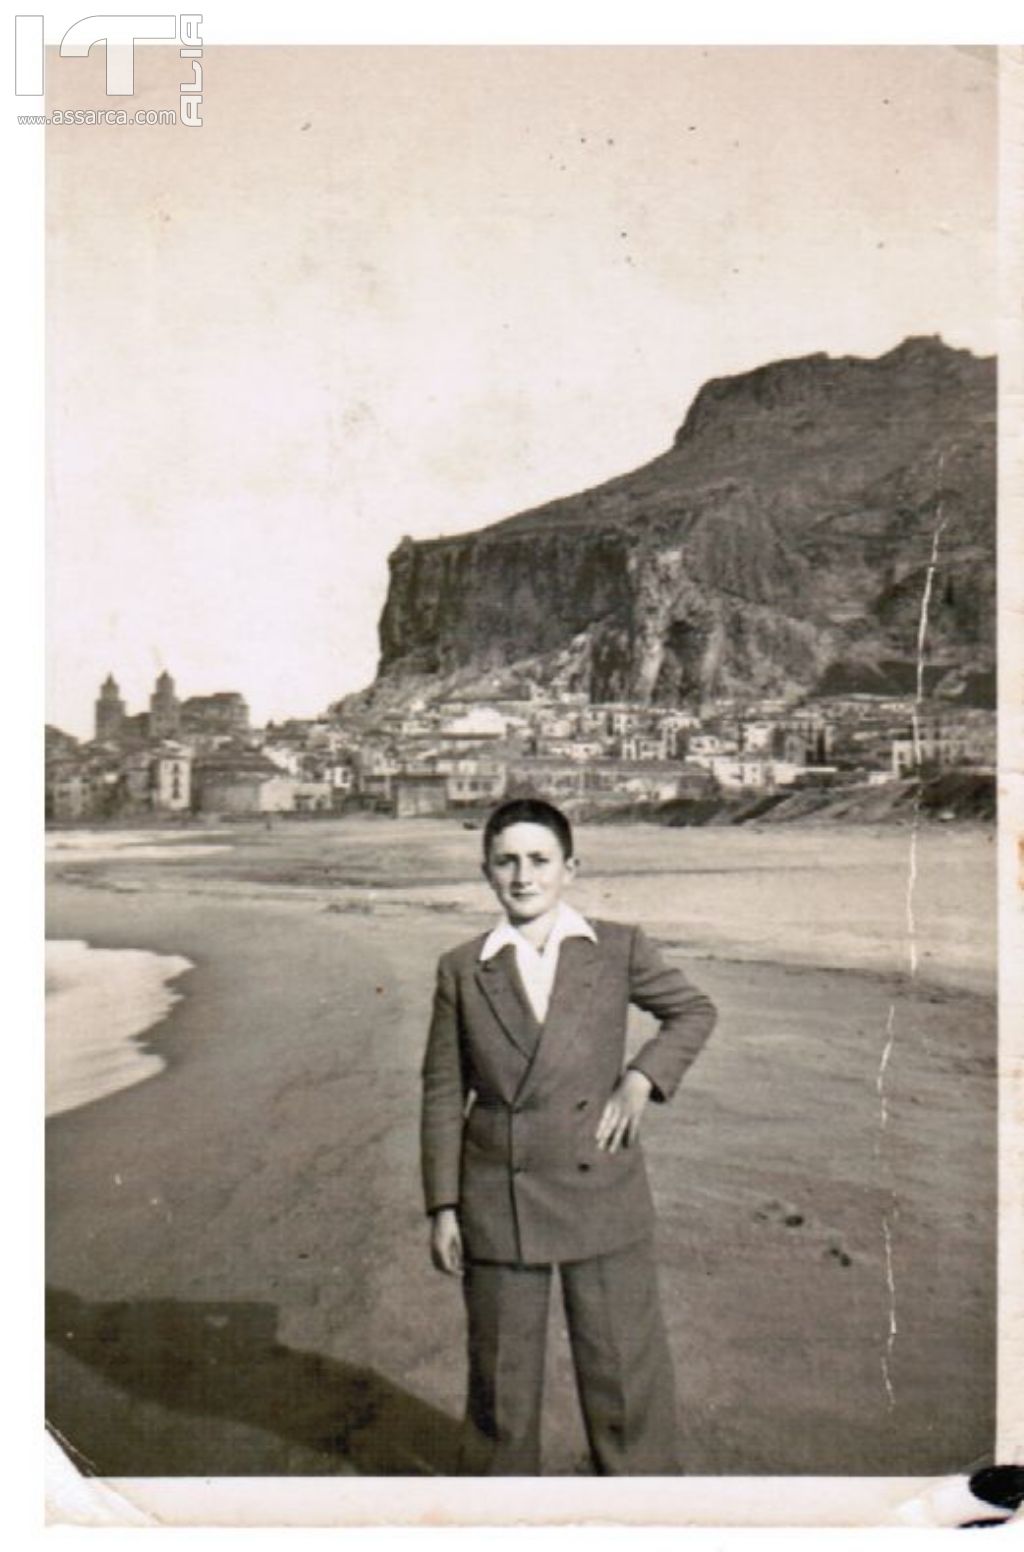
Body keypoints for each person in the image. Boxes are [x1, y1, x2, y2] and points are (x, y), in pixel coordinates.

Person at [420, 796, 717, 1475]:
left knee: (623, 1378)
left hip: (601, 1183)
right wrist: (442, 1205)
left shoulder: (618, 948)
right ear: (486, 871)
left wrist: (641, 1078)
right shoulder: (462, 967)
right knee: (502, 1387)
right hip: (498, 1193)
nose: (523, 877)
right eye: (506, 862)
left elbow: (693, 1011)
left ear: (570, 869)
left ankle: (641, 1517)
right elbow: (442, 1090)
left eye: (539, 860)